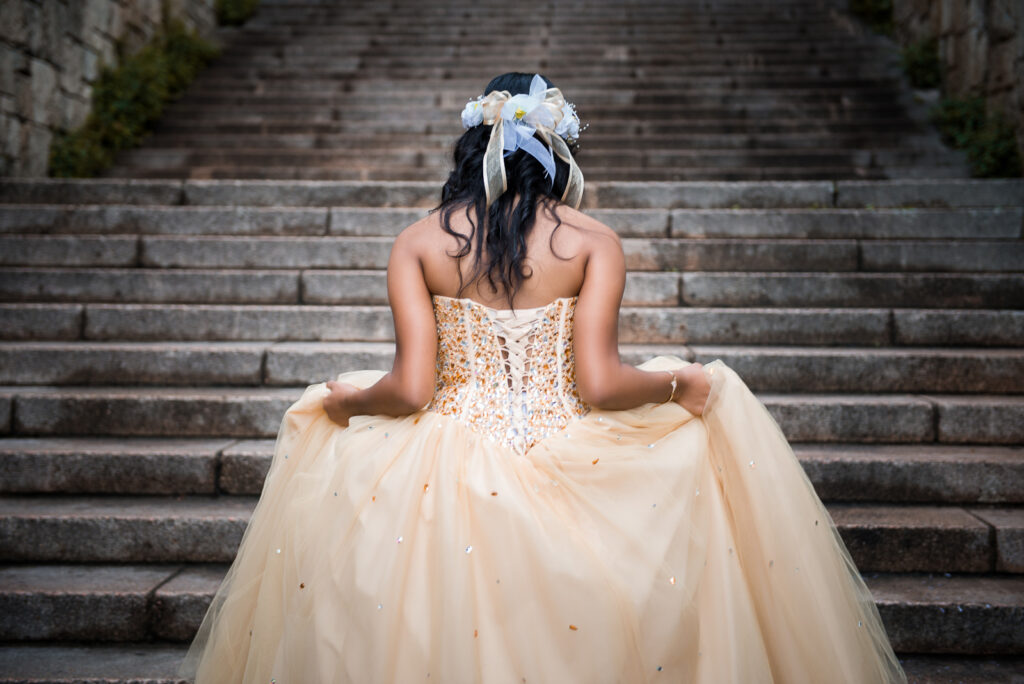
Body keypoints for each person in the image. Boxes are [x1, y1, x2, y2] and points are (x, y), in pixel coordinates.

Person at [177, 72, 908, 683]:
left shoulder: (420, 241)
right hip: (571, 450)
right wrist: (680, 385)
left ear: (472, 147)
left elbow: (410, 391)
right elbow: (599, 384)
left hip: (441, 466)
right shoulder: (592, 241)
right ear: (557, 153)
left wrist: (345, 400)